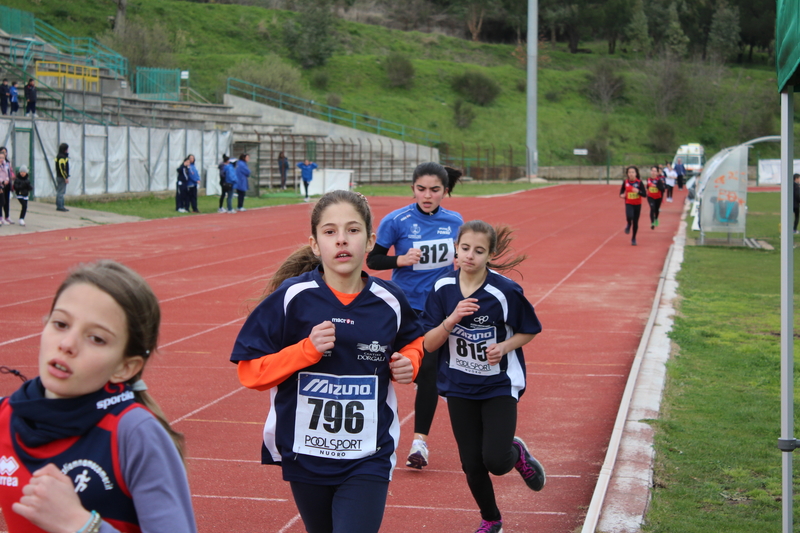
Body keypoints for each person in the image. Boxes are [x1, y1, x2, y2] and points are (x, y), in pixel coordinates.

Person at [231, 190, 424, 533]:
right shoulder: (292, 297)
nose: (342, 240)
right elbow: (250, 373)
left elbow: (413, 341)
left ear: (370, 240)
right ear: (315, 244)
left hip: (369, 453)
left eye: (352, 230)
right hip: (306, 453)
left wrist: (410, 360)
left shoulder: (390, 300)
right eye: (330, 232)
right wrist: (306, 350)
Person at [0, 260, 197, 533]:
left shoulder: (134, 434)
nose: (67, 344)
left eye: (96, 339)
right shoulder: (5, 417)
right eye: (60, 323)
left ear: (125, 367)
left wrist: (81, 525)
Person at [421, 220, 545, 533]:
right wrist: (452, 319)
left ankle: (516, 452)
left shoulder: (504, 291)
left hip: (498, 385)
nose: (470, 256)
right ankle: (491, 519)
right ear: (456, 248)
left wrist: (504, 346)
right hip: (459, 386)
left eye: (479, 251)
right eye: (465, 248)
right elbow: (428, 343)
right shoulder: (442, 289)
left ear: (490, 254)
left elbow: (530, 329)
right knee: (471, 464)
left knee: (496, 461)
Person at [366, 162, 464, 469]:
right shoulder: (396, 220)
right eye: (421, 189)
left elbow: (461, 255)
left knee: (430, 372)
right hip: (403, 309)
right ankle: (370, 434)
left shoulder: (455, 221)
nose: (427, 195)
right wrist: (401, 259)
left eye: (435, 189)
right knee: (385, 368)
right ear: (412, 189)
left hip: (437, 309)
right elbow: (373, 259)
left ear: (445, 191)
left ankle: (419, 442)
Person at [620, 165, 647, 246]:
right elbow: (621, 192)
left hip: (637, 204)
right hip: (628, 203)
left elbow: (644, 194)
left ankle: (633, 238)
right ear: (627, 174)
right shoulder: (625, 182)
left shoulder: (639, 182)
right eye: (629, 172)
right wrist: (622, 195)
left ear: (636, 173)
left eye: (632, 172)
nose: (631, 174)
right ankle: (628, 224)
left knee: (635, 222)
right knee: (629, 216)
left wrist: (638, 191)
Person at [646, 165, 666, 230]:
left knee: (656, 209)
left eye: (655, 171)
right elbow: (647, 186)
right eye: (652, 171)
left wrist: (656, 186)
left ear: (657, 173)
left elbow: (663, 189)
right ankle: (652, 222)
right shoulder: (648, 179)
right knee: (652, 208)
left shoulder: (659, 180)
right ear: (650, 172)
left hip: (658, 197)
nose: (653, 172)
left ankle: (656, 218)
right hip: (650, 197)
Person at [0, 149, 13, 224]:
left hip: (6, 184)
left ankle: (6, 216)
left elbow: (7, 173)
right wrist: (2, 181)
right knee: (1, 201)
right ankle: (1, 217)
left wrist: (7, 180)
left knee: (5, 201)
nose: (2, 158)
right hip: (1, 184)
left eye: (4, 155)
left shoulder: (6, 163)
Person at [55, 143, 69, 212]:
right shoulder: (61, 157)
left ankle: (59, 205)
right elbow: (62, 168)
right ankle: (60, 206)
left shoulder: (59, 156)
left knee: (59, 191)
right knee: (61, 192)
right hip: (61, 177)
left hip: (59, 176)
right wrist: (65, 177)